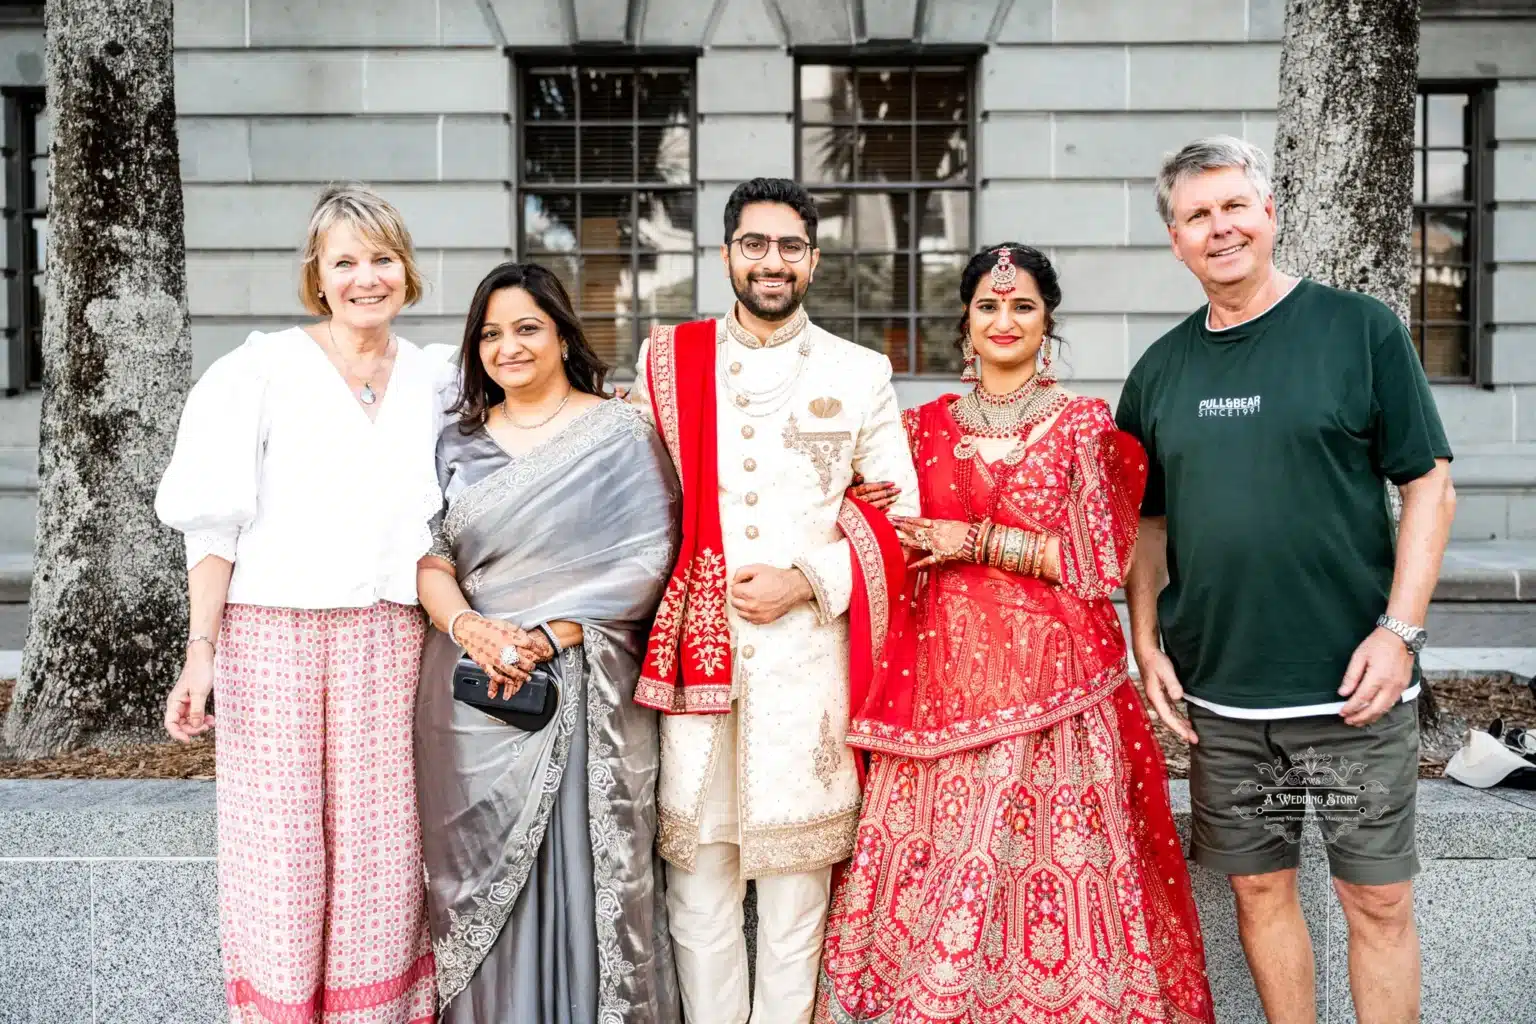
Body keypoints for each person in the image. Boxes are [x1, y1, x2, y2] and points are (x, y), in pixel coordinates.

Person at [814, 244, 1215, 1024]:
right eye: (990, 305)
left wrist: (978, 543)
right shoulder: (917, 428)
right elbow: (874, 526)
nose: (1005, 319)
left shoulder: (1082, 425)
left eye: (1023, 306)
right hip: (939, 695)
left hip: (1058, 695)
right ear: (965, 320)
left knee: (1054, 883)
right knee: (938, 887)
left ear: (1047, 322)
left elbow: (1100, 561)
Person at [1118, 137, 1457, 1024]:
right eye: (1197, 215)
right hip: (1223, 703)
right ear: (1176, 241)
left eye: (1234, 206)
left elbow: (1429, 482)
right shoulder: (1159, 372)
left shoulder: (1359, 329)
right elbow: (1147, 522)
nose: (1219, 227)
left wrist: (1402, 631)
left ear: (1269, 215)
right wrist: (1144, 636)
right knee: (1259, 895)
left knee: (1377, 901)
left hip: (1354, 693)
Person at [625, 177, 920, 1024]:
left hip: (805, 666)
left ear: (814, 259)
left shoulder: (858, 372)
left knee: (797, 903)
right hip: (694, 662)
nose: (772, 261)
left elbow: (899, 513)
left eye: (790, 246)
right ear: (726, 254)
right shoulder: (664, 364)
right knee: (699, 889)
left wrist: (808, 581)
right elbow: (633, 502)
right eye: (754, 244)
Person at [155, 183, 445, 1024]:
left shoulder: (432, 378)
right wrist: (199, 651)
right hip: (273, 635)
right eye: (345, 260)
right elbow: (214, 524)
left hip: (391, 639)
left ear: (406, 269)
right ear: (317, 274)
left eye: (382, 258)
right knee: (280, 854)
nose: (366, 277)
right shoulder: (258, 371)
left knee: (384, 855)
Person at [414, 261, 683, 1023]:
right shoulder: (452, 443)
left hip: (576, 683)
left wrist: (543, 636)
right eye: (491, 334)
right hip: (469, 695)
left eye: (527, 327)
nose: (509, 347)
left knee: (584, 876)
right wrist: (474, 629)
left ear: (564, 335)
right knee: (480, 892)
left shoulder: (618, 432)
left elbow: (649, 555)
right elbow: (428, 557)